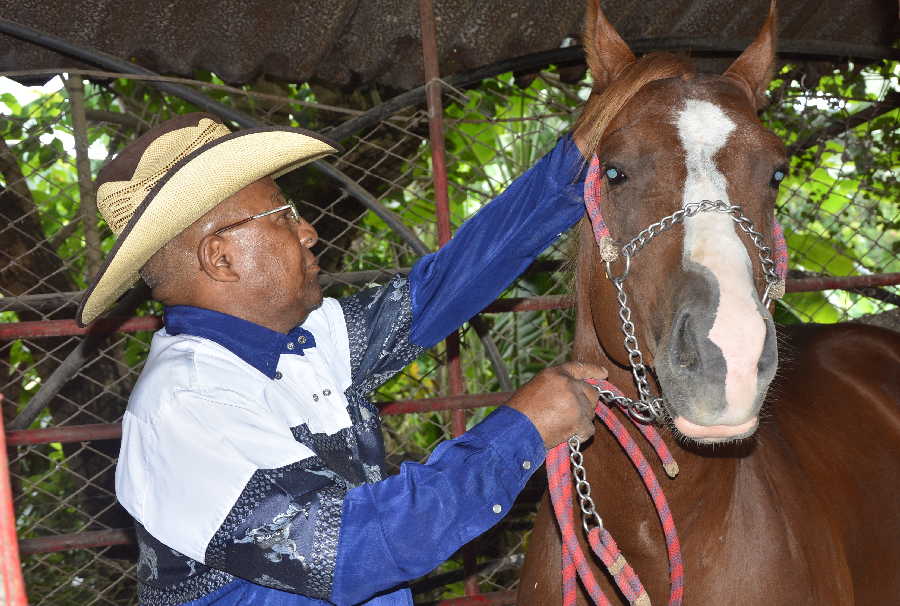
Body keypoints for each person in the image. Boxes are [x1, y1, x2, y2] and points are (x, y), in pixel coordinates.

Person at [76, 112, 604, 605]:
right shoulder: (183, 404)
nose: (309, 231)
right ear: (221, 257)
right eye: (283, 216)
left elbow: (448, 283)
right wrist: (522, 430)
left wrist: (576, 159)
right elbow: (357, 548)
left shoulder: (300, 341)